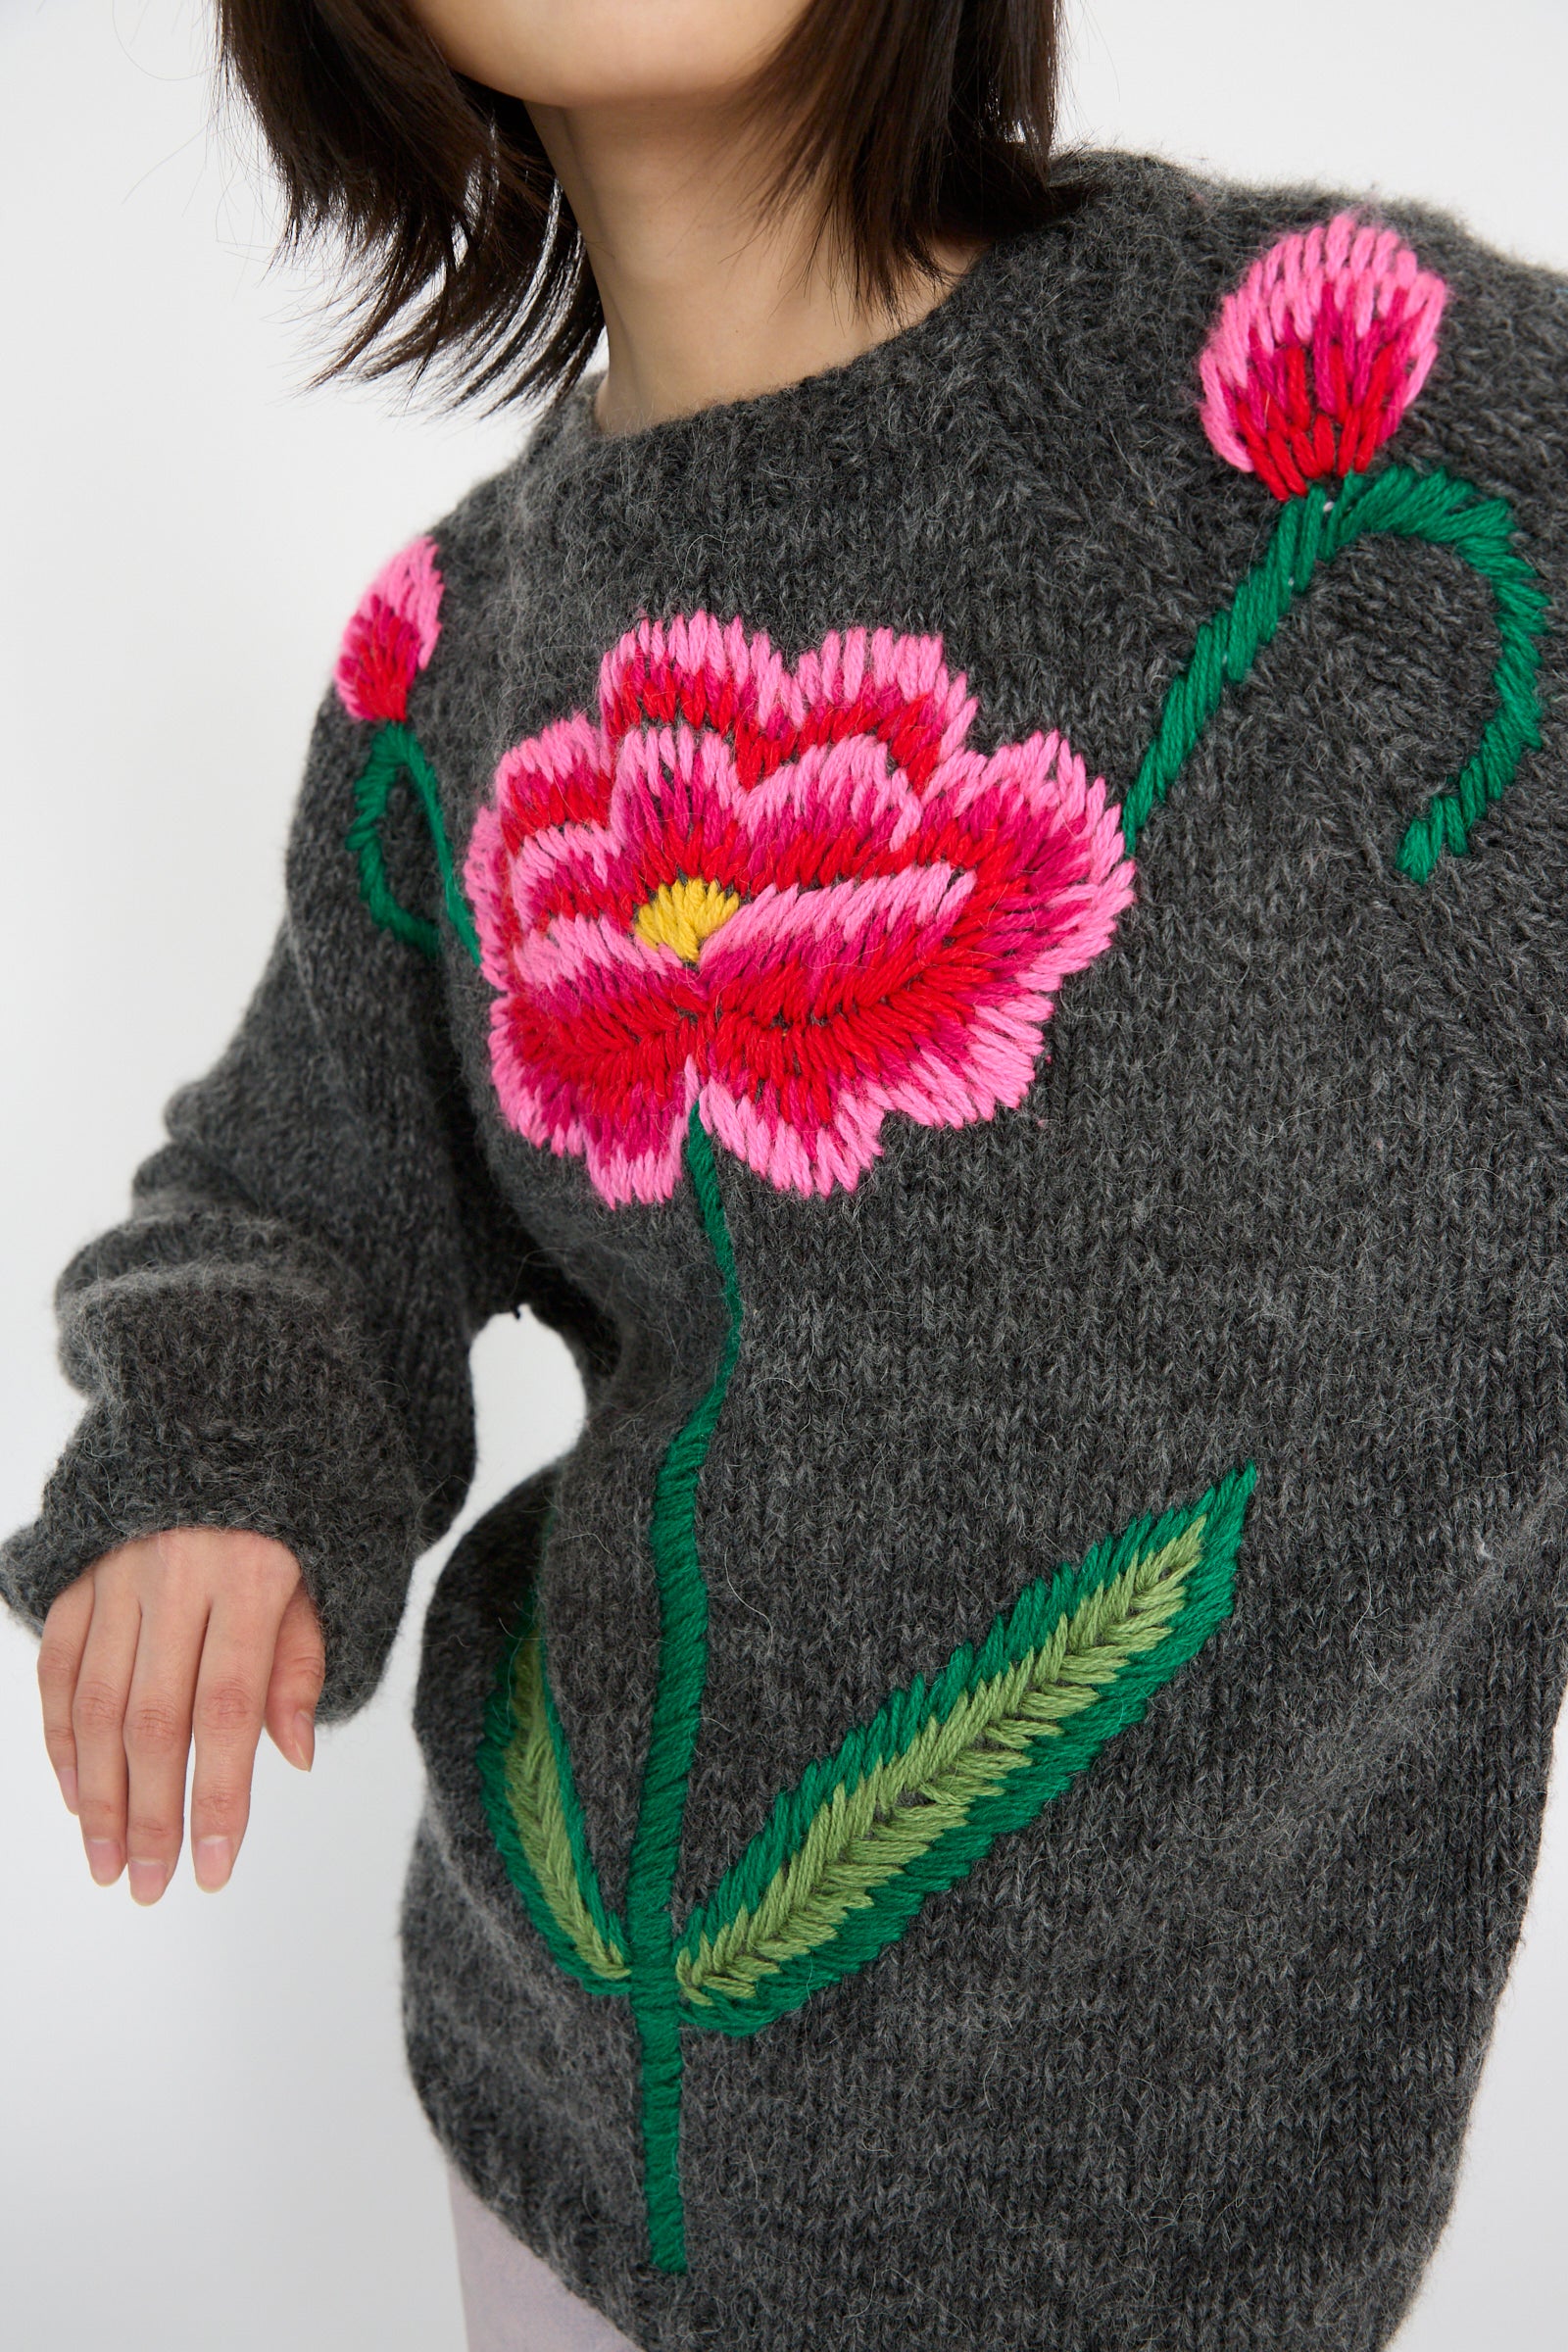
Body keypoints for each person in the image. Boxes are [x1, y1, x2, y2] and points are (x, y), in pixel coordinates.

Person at [6, 2, 1568, 2346]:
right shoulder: (449, 668)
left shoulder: (1362, 426)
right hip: (561, 2124)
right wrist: (220, 1460)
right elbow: (300, 1196)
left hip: (1170, 2257)